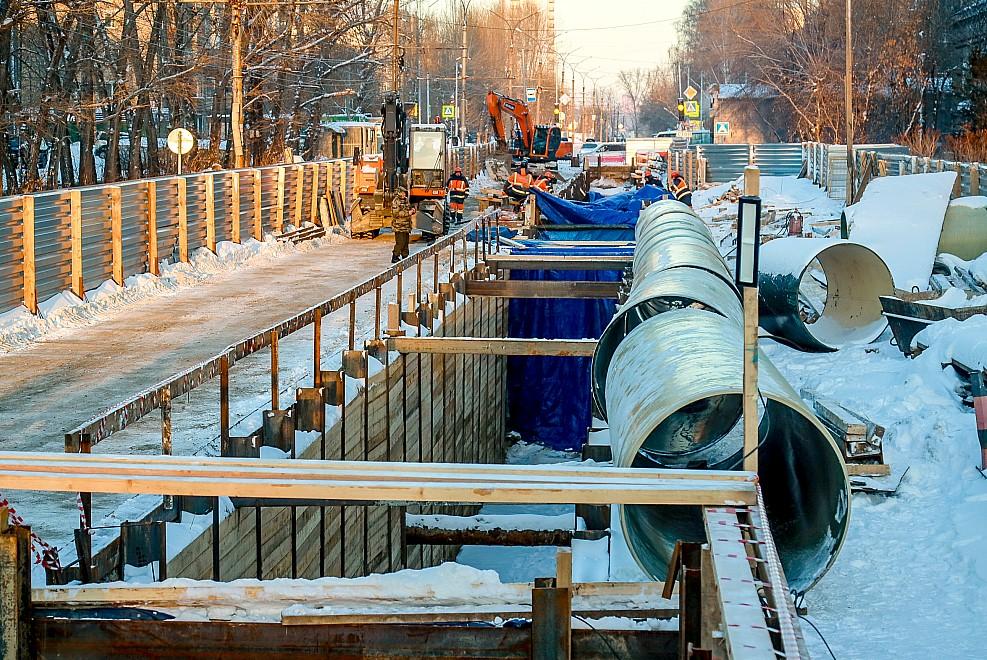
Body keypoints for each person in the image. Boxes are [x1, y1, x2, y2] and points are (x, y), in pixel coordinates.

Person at [391, 188, 413, 263]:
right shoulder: (396, 201)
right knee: (400, 243)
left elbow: (408, 208)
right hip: (399, 226)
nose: (404, 194)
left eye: (405, 193)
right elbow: (396, 213)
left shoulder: (406, 200)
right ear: (399, 193)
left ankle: (405, 256)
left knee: (406, 242)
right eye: (402, 193)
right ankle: (395, 257)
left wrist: (412, 210)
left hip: (406, 226)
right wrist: (408, 213)